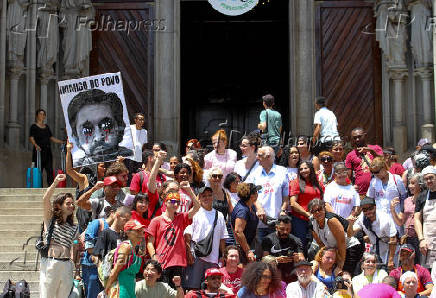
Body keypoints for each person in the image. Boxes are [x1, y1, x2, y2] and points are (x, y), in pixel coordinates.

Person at [146, 189, 200, 288]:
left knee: (176, 292)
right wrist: (154, 257)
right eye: (172, 201)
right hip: (162, 262)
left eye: (178, 202)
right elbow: (149, 242)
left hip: (178, 263)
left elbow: (197, 207)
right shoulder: (156, 221)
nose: (175, 204)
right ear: (165, 202)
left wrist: (189, 190)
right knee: (162, 291)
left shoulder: (182, 217)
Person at [67, 89, 133, 166]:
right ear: (76, 137)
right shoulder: (77, 169)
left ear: (120, 126)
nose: (98, 138)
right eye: (87, 130)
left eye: (106, 125)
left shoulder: (131, 160)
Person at [40, 174, 80, 298]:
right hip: (51, 264)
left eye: (72, 204)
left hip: (67, 265)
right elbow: (45, 199)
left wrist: (76, 270)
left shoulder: (74, 227)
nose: (72, 206)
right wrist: (55, 183)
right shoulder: (50, 220)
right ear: (58, 205)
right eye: (68, 203)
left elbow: (75, 248)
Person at [184, 186, 228, 290]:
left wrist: (222, 256)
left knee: (212, 289)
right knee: (193, 288)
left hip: (213, 259)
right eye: (204, 196)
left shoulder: (220, 215)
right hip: (196, 257)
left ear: (213, 197)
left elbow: (223, 238)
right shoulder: (194, 213)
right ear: (199, 198)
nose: (207, 198)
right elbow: (187, 235)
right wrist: (189, 252)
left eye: (209, 195)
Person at [246, 146, 289, 244]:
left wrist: (283, 210)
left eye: (260, 155)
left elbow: (286, 196)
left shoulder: (282, 171)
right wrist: (259, 207)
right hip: (259, 222)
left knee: (276, 253)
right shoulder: (255, 173)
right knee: (261, 253)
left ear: (268, 157)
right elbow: (250, 193)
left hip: (277, 222)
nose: (257, 157)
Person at [309, 199, 362, 273]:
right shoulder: (311, 223)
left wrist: (340, 265)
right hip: (334, 251)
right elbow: (321, 244)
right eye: (313, 211)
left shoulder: (331, 221)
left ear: (324, 208)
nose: (317, 212)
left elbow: (342, 242)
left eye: (319, 209)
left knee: (343, 274)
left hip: (349, 248)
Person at [347, 197, 397, 271]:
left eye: (370, 208)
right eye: (365, 210)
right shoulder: (362, 218)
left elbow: (393, 239)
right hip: (375, 250)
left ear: (375, 207)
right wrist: (350, 224)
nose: (368, 211)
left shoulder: (384, 219)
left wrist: (390, 260)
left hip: (389, 250)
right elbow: (350, 234)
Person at [104, 220, 145, 298]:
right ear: (127, 233)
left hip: (129, 289)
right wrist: (106, 289)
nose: (141, 233)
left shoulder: (135, 249)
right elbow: (115, 271)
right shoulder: (126, 247)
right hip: (121, 291)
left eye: (142, 231)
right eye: (137, 231)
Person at [390, 174, 425, 264]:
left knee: (421, 265)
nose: (410, 186)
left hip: (421, 238)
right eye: (409, 183)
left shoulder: (425, 199)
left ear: (420, 184)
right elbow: (400, 222)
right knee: (407, 264)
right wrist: (393, 210)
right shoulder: (407, 201)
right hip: (408, 239)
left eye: (413, 183)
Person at [289, 161, 324, 249]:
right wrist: (307, 214)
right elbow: (293, 203)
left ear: (311, 169)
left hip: (317, 219)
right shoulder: (295, 182)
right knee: (301, 245)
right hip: (300, 220)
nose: (303, 171)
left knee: (317, 245)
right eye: (301, 169)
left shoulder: (318, 183)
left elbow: (322, 201)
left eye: (305, 168)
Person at [261, 215, 304, 283]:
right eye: (282, 229)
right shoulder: (268, 240)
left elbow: (302, 258)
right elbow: (264, 259)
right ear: (276, 228)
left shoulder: (296, 240)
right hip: (274, 274)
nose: (285, 232)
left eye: (288, 229)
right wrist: (276, 260)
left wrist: (297, 259)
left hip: (291, 274)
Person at [29, 109, 65, 186]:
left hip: (47, 151)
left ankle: (50, 186)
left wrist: (61, 142)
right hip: (38, 151)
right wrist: (36, 145)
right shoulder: (34, 127)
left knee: (49, 170)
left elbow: (51, 138)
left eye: (43, 114)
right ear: (37, 115)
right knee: (39, 170)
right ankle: (39, 186)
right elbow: (31, 138)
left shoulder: (46, 127)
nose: (42, 116)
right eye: (40, 114)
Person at [367, 157, 408, 223]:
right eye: (373, 172)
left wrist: (402, 212)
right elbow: (369, 198)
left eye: (377, 172)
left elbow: (404, 197)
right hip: (380, 218)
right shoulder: (373, 182)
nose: (375, 174)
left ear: (383, 168)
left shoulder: (396, 179)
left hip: (395, 216)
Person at [345, 127, 383, 198]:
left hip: (379, 189)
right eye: (354, 138)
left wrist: (370, 151)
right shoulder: (350, 155)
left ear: (365, 135)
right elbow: (348, 176)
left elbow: (383, 161)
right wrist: (351, 187)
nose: (357, 139)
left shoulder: (375, 148)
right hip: (361, 192)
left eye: (359, 137)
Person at [231, 183, 260, 264]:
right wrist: (248, 251)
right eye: (256, 191)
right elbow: (238, 231)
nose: (258, 193)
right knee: (244, 273)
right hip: (242, 249)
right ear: (252, 195)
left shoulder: (251, 206)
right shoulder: (242, 210)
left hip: (250, 245)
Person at [414, 166, 436, 269]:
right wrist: (421, 239)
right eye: (426, 179)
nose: (429, 181)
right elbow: (417, 219)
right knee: (428, 271)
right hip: (428, 241)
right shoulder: (422, 197)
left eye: (431, 177)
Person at [126, 112, 148, 178]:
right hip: (130, 155)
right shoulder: (130, 128)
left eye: (143, 120)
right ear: (135, 120)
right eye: (140, 119)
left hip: (138, 155)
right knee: (129, 172)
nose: (141, 121)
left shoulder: (145, 131)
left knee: (138, 172)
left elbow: (143, 144)